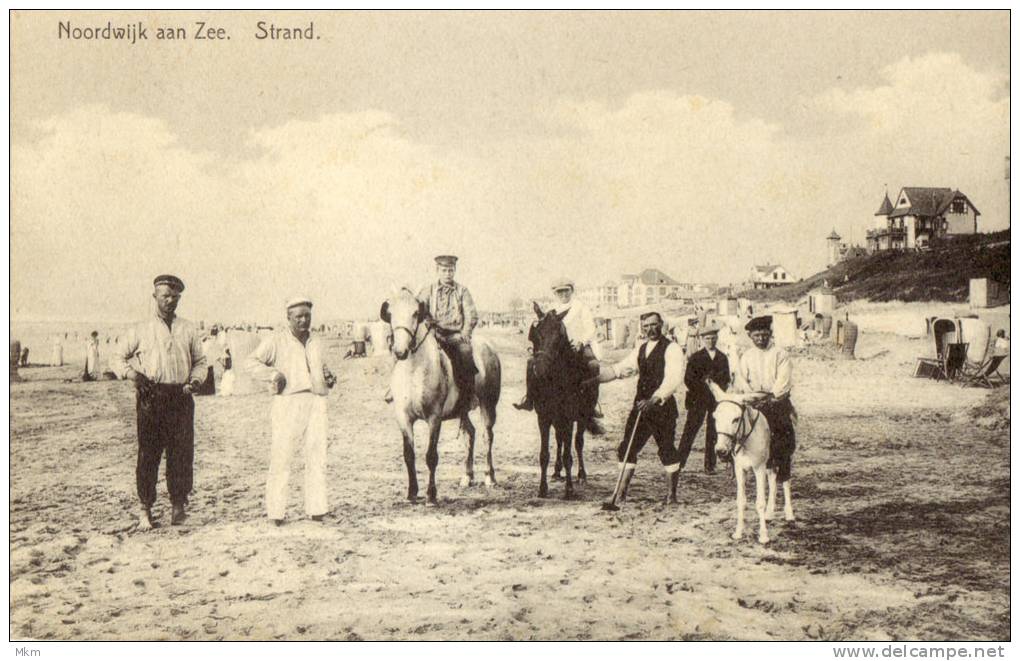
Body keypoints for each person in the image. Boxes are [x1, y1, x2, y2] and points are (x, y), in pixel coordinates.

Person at [111, 275, 207, 529]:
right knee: (149, 455)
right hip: (151, 397)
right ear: (154, 297)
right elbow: (117, 357)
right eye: (165, 295)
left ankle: (178, 508)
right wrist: (132, 374)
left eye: (175, 296)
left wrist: (196, 381)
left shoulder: (188, 328)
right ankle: (145, 510)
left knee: (181, 455)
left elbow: (200, 361)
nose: (170, 301)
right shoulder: (140, 329)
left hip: (181, 396)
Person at [246, 297, 336, 526]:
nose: (304, 320)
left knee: (317, 456)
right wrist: (273, 375)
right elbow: (251, 362)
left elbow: (319, 366)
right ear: (288, 317)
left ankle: (317, 509)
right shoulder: (276, 339)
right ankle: (276, 513)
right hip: (288, 402)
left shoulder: (316, 340)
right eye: (299, 317)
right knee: (282, 456)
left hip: (316, 401)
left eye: (307, 316)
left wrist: (328, 376)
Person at [597, 312, 685, 505]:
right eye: (645, 326)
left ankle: (672, 495)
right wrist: (594, 380)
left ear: (661, 324)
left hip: (662, 408)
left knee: (667, 450)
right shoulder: (641, 348)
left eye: (654, 325)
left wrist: (655, 399)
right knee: (627, 447)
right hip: (641, 407)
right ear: (642, 328)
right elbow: (620, 369)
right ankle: (620, 494)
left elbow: (673, 378)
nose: (650, 329)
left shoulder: (673, 349)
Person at [515, 278, 603, 428]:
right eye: (559, 291)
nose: (563, 294)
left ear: (571, 291)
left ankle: (590, 405)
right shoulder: (552, 309)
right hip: (557, 348)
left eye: (566, 290)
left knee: (593, 365)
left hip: (578, 344)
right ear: (555, 293)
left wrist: (581, 341)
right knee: (532, 363)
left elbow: (590, 328)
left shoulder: (581, 307)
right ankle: (530, 399)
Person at [732, 315, 796, 484]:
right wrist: (751, 396)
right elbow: (741, 379)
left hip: (775, 401)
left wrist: (771, 398)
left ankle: (782, 473)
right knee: (738, 428)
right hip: (754, 401)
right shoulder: (747, 356)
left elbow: (783, 380)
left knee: (782, 435)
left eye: (764, 335)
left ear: (770, 333)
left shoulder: (780, 354)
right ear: (750, 337)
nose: (760, 339)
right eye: (756, 336)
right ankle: (741, 464)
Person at [414, 254, 479, 406]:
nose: (447, 274)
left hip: (455, 336)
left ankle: (469, 395)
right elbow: (418, 309)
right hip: (432, 335)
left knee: (466, 352)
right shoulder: (428, 290)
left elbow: (472, 315)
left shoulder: (462, 291)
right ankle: (396, 389)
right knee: (406, 350)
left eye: (450, 270)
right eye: (444, 270)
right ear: (437, 271)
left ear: (454, 271)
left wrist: (465, 333)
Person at [676, 322, 730, 474]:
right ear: (702, 340)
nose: (711, 341)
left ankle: (710, 465)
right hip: (698, 399)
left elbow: (726, 378)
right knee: (690, 430)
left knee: (713, 431)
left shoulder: (722, 357)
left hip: (715, 400)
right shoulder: (695, 357)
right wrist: (703, 385)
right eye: (707, 339)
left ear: (717, 339)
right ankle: (679, 463)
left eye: (713, 338)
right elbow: (688, 380)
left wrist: (716, 386)